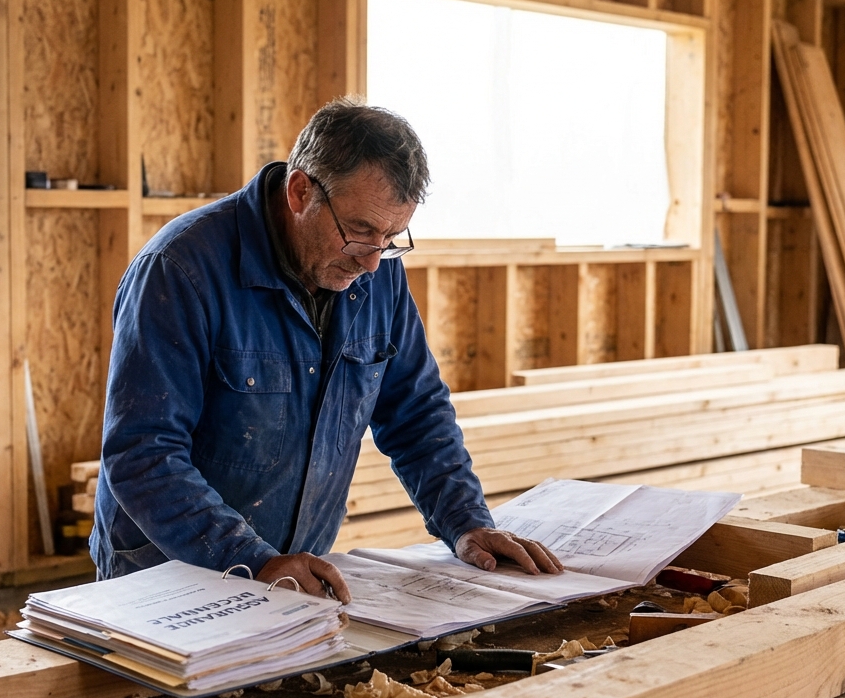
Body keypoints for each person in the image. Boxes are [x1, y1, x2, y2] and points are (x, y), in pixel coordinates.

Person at [91, 98, 561, 601]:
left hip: (293, 580)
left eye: (391, 237)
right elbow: (143, 454)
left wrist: (465, 522)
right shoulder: (180, 270)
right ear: (299, 192)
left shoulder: (376, 274)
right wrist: (253, 560)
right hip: (167, 580)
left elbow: (417, 412)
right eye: (359, 231)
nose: (374, 261)